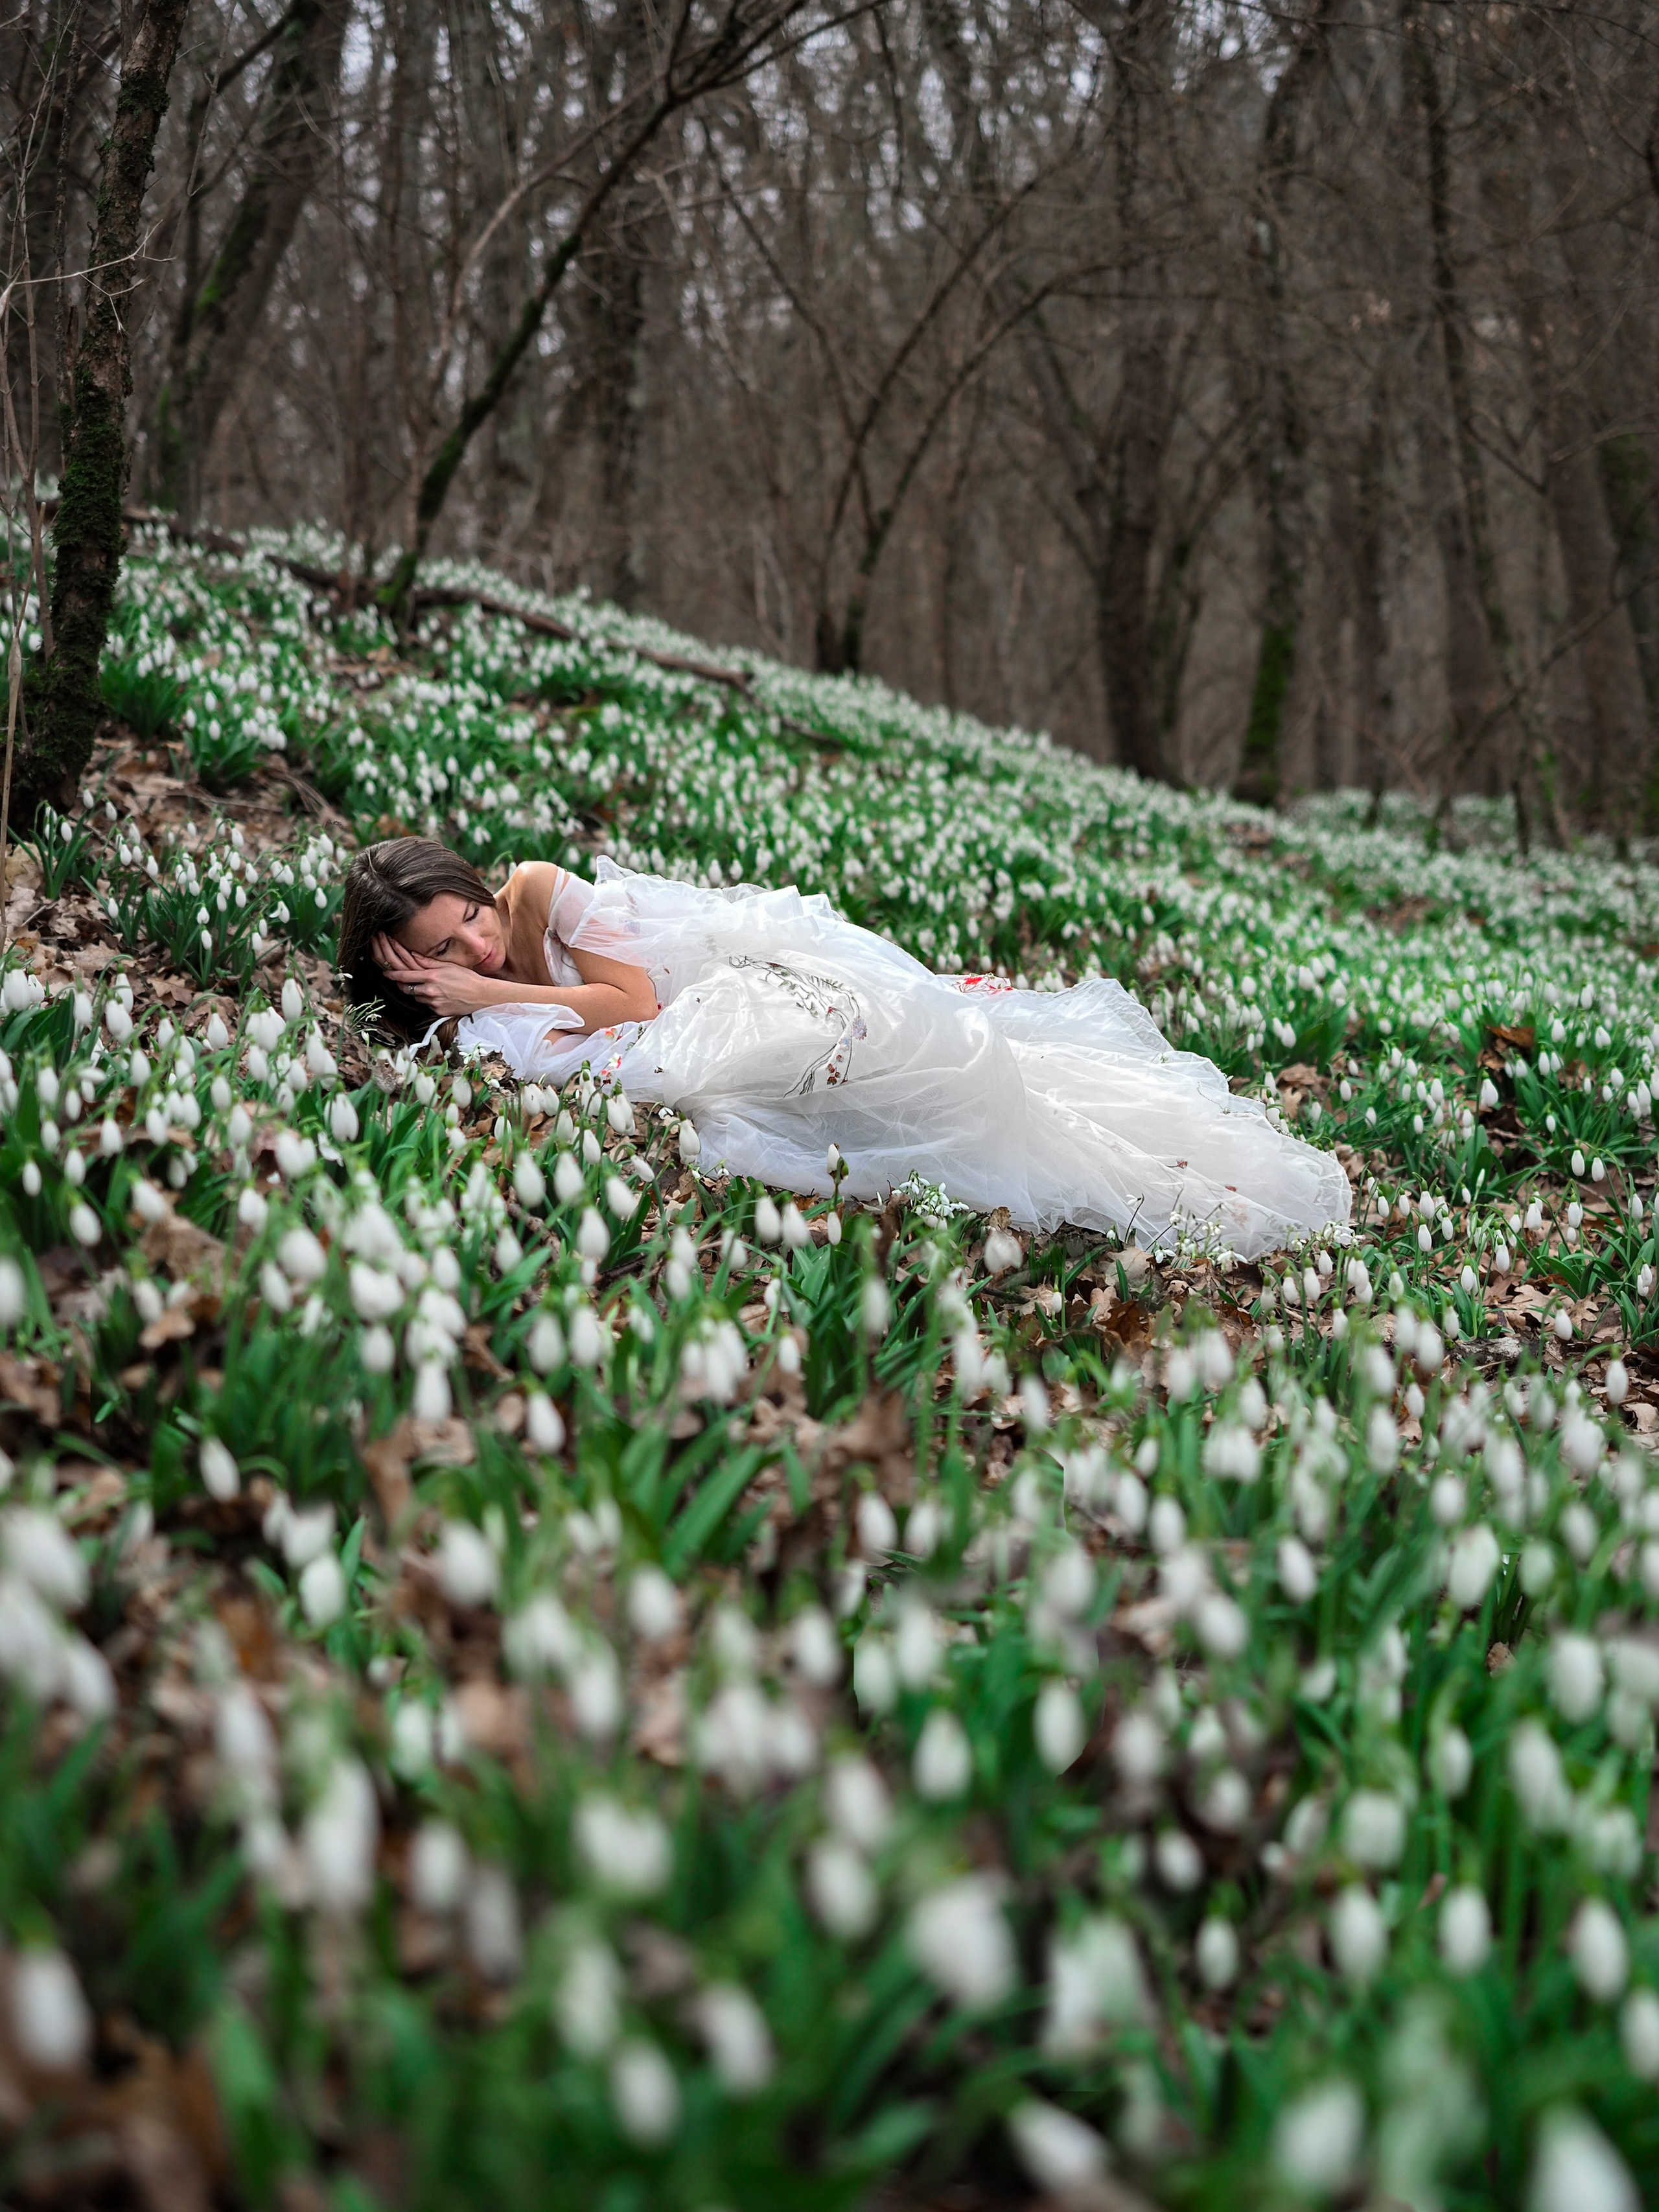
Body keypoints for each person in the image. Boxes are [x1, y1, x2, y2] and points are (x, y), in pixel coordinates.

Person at [338, 837, 1351, 1259]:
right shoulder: (471, 1007)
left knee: (947, 1060)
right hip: (711, 1037)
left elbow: (631, 997)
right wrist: (459, 1007)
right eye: (439, 951)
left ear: (474, 883)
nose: (472, 941)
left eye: (465, 915)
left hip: (742, 987)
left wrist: (485, 984)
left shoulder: (538, 891)